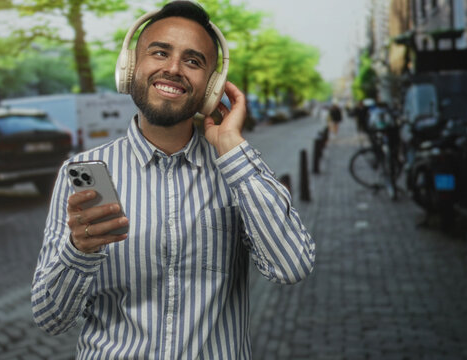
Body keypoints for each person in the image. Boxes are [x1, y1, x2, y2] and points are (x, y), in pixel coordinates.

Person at [31, 1, 315, 358]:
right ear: (130, 66)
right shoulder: (84, 170)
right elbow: (50, 318)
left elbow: (291, 267)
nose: (173, 69)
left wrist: (231, 146)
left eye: (193, 61)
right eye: (160, 52)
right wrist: (80, 251)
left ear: (212, 87)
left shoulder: (237, 169)